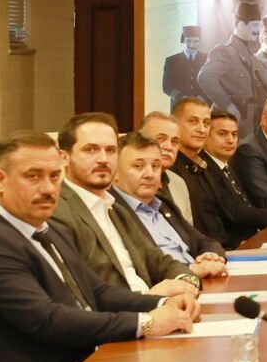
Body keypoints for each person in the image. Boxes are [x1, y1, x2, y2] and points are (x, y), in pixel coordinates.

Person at [0, 131, 195, 362]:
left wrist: (163, 304)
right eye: (33, 176)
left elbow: (98, 292)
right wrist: (147, 323)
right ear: (0, 181)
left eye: (54, 177)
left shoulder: (44, 227)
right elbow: (48, 320)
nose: (47, 188)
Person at [50, 113, 200, 295]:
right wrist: (153, 298)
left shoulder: (115, 209)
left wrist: (187, 281)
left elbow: (160, 261)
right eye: (91, 150)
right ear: (64, 157)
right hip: (133, 309)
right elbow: (84, 292)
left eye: (111, 150)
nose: (103, 159)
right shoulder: (56, 211)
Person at [170, 97, 267, 249]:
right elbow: (227, 216)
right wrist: (236, 246)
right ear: (174, 124)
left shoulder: (205, 166)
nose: (202, 129)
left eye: (206, 123)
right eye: (193, 121)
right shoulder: (173, 170)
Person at [112, 131, 227, 280]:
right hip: (171, 286)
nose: (149, 174)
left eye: (155, 166)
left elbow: (204, 241)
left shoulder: (163, 205)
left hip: (201, 281)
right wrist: (191, 270)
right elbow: (140, 266)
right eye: (138, 166)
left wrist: (210, 256)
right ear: (115, 172)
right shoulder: (111, 211)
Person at [197, 1, 263, 126]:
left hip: (249, 120)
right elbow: (205, 77)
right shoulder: (225, 51)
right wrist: (228, 107)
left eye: (259, 25)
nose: (258, 30)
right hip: (230, 120)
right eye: (255, 25)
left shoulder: (248, 52)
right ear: (241, 25)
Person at [139, 111, 194, 223]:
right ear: (139, 141)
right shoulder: (126, 180)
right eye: (161, 139)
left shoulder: (179, 183)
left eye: (174, 141)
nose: (169, 147)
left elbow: (188, 229)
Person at [161, 26, 206, 110]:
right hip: (179, 106)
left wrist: (203, 97)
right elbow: (166, 86)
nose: (192, 45)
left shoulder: (207, 59)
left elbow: (210, 83)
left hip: (201, 106)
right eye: (188, 41)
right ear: (183, 40)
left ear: (199, 41)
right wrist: (181, 97)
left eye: (195, 41)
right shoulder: (172, 61)